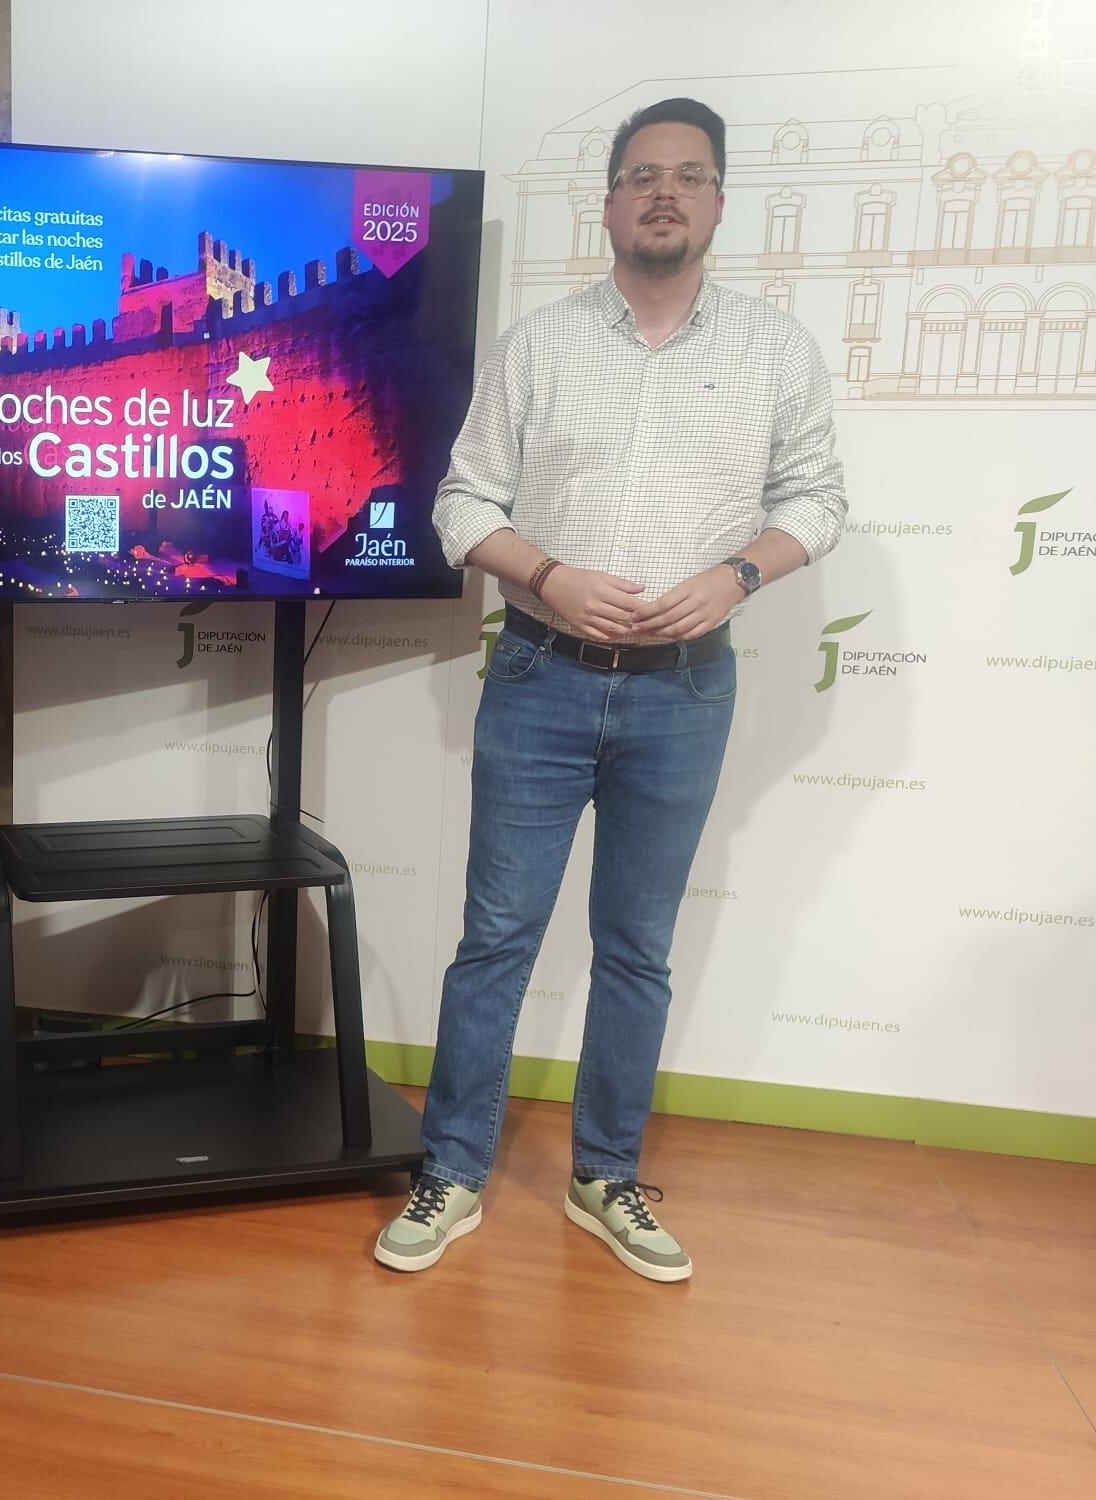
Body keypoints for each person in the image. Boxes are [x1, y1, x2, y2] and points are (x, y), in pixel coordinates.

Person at [376, 98, 846, 1283]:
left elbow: (816, 501)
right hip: (538, 674)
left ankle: (604, 1175)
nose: (663, 194)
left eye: (687, 176)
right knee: (494, 942)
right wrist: (545, 575)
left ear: (718, 202)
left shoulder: (774, 351)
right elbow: (460, 502)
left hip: (683, 692)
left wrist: (735, 576)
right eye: (641, 175)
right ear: (607, 203)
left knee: (635, 948)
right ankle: (452, 1172)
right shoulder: (540, 344)